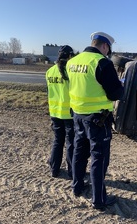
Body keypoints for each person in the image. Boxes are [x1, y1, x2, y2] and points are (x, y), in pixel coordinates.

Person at [66, 32, 124, 210]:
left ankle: (77, 187)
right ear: (105, 46)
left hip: (77, 116)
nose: (108, 53)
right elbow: (115, 94)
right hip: (98, 119)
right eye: (108, 50)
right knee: (99, 157)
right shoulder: (102, 62)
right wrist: (121, 84)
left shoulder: (72, 62)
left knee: (79, 153)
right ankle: (99, 200)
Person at [46, 45, 75, 178]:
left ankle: (54, 169)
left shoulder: (49, 71)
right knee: (70, 143)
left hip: (54, 112)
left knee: (58, 141)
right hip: (69, 113)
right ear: (70, 56)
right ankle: (72, 171)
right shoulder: (71, 72)